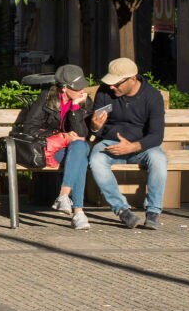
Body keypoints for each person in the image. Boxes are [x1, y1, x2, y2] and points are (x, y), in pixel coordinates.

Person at [88, 57, 166, 230]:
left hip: (141, 146)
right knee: (96, 160)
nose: (112, 87)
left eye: (116, 83)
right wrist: (95, 127)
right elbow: (97, 129)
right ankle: (123, 211)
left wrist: (132, 146)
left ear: (132, 79)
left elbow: (156, 135)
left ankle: (153, 212)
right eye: (110, 83)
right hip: (111, 143)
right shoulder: (105, 93)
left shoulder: (152, 96)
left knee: (159, 159)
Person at [16, 64, 93, 230]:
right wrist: (61, 135)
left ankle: (64, 196)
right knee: (81, 157)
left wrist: (75, 108)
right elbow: (30, 128)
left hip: (75, 148)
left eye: (83, 86)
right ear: (64, 88)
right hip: (54, 149)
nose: (82, 90)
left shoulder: (84, 101)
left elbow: (81, 133)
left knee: (79, 147)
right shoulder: (47, 97)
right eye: (78, 87)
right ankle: (78, 212)